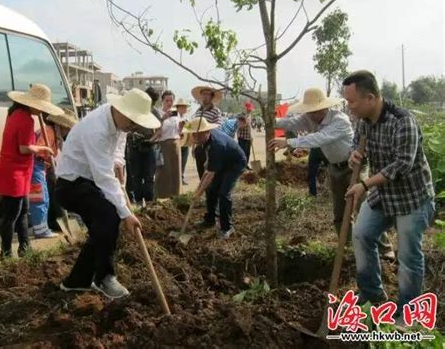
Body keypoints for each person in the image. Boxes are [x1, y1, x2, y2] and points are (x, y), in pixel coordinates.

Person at [343, 70, 435, 313]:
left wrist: (364, 184)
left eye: (352, 101)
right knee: (361, 234)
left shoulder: (403, 120)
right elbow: (356, 147)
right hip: (383, 196)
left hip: (412, 198)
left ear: (371, 97)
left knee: (408, 256)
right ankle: (372, 294)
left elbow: (402, 164)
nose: (349, 107)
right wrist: (355, 156)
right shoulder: (362, 122)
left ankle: (408, 312)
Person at [55, 89, 160, 299]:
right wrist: (126, 213)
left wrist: (119, 163)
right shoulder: (97, 129)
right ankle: (104, 277)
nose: (133, 127)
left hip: (89, 181)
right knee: (109, 217)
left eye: (136, 123)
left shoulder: (120, 122)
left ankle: (76, 281)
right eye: (132, 121)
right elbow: (104, 177)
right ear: (120, 109)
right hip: (71, 185)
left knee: (101, 229)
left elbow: (118, 147)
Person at [269, 87, 394, 260]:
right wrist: (270, 119)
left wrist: (289, 142)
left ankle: (385, 248)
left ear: (323, 107)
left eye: (314, 111)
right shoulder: (308, 118)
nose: (311, 115)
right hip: (334, 168)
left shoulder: (339, 120)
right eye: (309, 111)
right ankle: (350, 248)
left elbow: (319, 138)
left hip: (354, 167)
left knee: (366, 207)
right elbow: (291, 123)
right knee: (339, 212)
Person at [0, 84, 63, 260]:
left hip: (20, 171)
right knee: (12, 215)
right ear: (31, 104)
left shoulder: (15, 114)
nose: (41, 111)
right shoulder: (25, 120)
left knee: (23, 209)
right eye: (40, 107)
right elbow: (24, 148)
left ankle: (25, 248)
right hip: (14, 173)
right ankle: (6, 253)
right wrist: (44, 148)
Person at [183, 117, 246, 239]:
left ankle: (227, 227)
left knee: (223, 193)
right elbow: (207, 171)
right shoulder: (202, 144)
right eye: (193, 135)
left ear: (207, 132)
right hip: (222, 162)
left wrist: (198, 193)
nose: (195, 138)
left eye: (198, 135)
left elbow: (210, 174)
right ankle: (210, 219)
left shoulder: (217, 145)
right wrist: (200, 188)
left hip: (235, 163)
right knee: (211, 189)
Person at [29, 110, 77, 238]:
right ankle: (40, 230)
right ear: (63, 126)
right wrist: (47, 155)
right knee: (39, 197)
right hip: (36, 165)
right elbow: (37, 152)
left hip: (44, 166)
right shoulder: (49, 132)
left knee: (49, 194)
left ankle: (49, 224)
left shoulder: (57, 136)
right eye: (68, 128)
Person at [126, 87, 163, 205]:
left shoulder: (155, 112)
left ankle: (149, 202)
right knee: (135, 176)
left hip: (148, 147)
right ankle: (137, 201)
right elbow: (126, 127)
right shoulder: (135, 109)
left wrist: (151, 140)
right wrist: (132, 133)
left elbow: (159, 130)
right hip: (134, 147)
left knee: (148, 177)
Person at [154, 90, 182, 199]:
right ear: (162, 101)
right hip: (163, 144)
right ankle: (161, 195)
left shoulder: (177, 114)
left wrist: (182, 125)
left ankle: (175, 195)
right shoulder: (159, 114)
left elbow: (179, 132)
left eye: (171, 100)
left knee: (175, 171)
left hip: (175, 144)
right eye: (167, 100)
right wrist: (163, 119)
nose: (169, 103)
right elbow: (156, 130)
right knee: (163, 171)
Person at [191, 85, 223, 179]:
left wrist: (207, 132)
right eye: (203, 94)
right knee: (200, 171)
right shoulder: (198, 111)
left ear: (211, 97)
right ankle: (204, 190)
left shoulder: (216, 111)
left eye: (207, 94)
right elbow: (194, 129)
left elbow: (219, 126)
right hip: (199, 146)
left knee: (209, 171)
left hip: (210, 146)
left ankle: (210, 191)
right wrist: (193, 146)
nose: (205, 96)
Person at [175, 98, 190, 186]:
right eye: (183, 107)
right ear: (178, 108)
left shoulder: (187, 119)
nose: (185, 108)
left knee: (183, 162)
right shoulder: (174, 118)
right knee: (177, 162)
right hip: (177, 143)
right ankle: (177, 179)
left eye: (185, 107)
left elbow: (189, 130)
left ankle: (181, 177)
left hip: (185, 143)